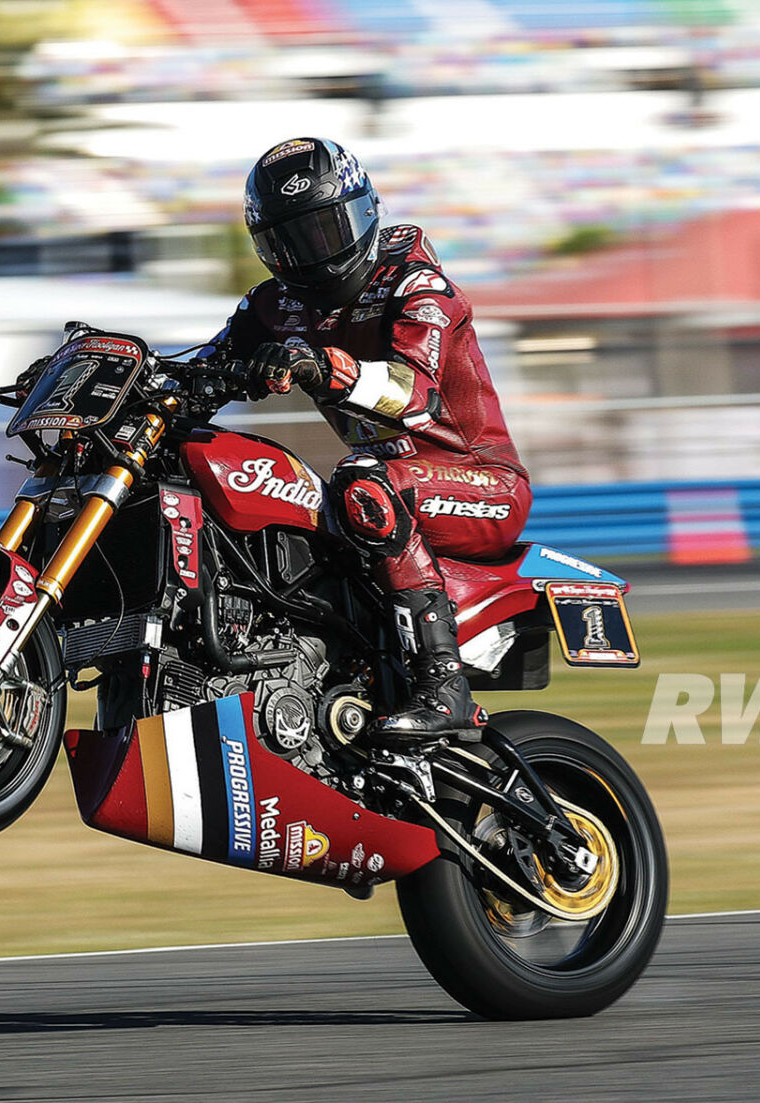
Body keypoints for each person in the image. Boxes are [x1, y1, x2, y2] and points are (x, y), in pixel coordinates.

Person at [201, 137, 531, 742]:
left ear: (365, 211)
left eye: (326, 232)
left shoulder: (419, 287)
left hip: (481, 481)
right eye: (291, 242)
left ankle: (443, 686)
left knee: (363, 481)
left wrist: (324, 365)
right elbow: (203, 368)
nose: (313, 257)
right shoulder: (275, 305)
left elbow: (414, 392)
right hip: (388, 479)